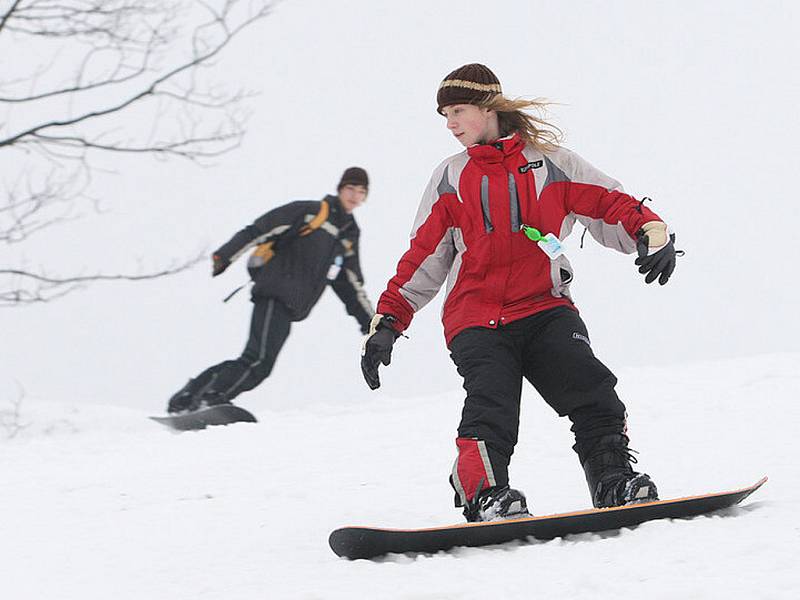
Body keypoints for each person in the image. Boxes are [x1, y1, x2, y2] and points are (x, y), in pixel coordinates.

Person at [361, 64, 679, 523]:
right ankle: (485, 492)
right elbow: (424, 255)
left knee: (591, 387)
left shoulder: (549, 162)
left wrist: (651, 230)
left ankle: (612, 481)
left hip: (545, 307)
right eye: (444, 115)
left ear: (488, 108)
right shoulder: (451, 177)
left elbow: (607, 202)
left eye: (458, 111)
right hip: (476, 317)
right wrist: (389, 320)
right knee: (492, 404)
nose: (449, 124)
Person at [168, 167, 375, 413]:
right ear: (340, 189)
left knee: (255, 359)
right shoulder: (310, 212)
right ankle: (210, 398)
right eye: (350, 189)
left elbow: (350, 284)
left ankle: (188, 398)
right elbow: (260, 229)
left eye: (360, 191)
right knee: (259, 360)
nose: (354, 196)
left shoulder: (348, 235)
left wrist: (372, 324)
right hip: (274, 293)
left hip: (291, 307)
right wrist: (225, 255)